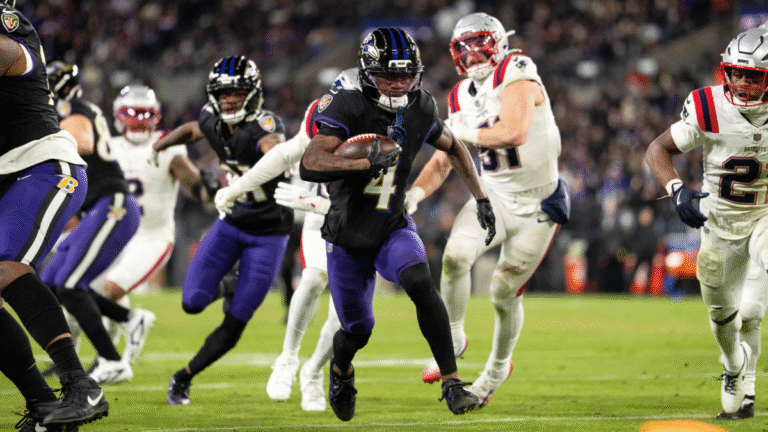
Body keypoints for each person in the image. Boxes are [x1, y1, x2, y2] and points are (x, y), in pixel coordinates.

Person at [299, 27, 495, 421]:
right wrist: (362, 162)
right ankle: (341, 370)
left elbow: (455, 146)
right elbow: (311, 162)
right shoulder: (346, 102)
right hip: (346, 235)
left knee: (420, 280)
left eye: (405, 76)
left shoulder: (420, 105)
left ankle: (452, 383)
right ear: (367, 73)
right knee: (357, 331)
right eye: (388, 75)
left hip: (391, 225)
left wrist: (481, 196)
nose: (398, 84)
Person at [404, 13, 567, 408]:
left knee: (502, 292)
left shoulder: (517, 69)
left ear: (499, 43)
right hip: (493, 195)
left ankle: (496, 369)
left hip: (537, 206)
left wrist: (464, 133)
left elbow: (515, 131)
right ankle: (453, 336)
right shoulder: (459, 95)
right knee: (455, 257)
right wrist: (416, 194)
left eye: (480, 43)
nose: (473, 54)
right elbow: (445, 158)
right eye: (465, 47)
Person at [215, 68, 360, 411]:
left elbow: (374, 202)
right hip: (322, 219)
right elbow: (284, 154)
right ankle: (288, 358)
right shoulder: (323, 115)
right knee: (313, 277)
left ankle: (313, 371)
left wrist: (315, 203)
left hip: (362, 223)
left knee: (344, 317)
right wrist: (238, 187)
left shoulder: (388, 124)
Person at [153, 55, 293, 406]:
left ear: (253, 94)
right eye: (224, 93)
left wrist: (281, 160)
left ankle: (184, 377)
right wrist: (161, 143)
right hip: (231, 223)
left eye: (238, 92)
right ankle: (231, 283)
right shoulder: (211, 118)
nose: (230, 99)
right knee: (192, 302)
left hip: (269, 234)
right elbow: (193, 129)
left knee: (236, 321)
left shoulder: (265, 125)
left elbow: (274, 147)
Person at [645, 25, 768, 419]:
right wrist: (677, 189)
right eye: (737, 73)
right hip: (719, 221)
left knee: (753, 309)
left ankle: (747, 385)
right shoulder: (709, 106)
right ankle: (734, 367)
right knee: (724, 315)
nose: (742, 83)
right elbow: (657, 148)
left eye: (753, 76)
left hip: (764, 215)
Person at [0, 1, 109, 429]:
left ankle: (81, 384)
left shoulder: (12, 28)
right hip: (8, 176)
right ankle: (44, 405)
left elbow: (8, 54)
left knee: (6, 265)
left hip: (43, 164)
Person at [41, 61, 155, 386]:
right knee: (51, 281)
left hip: (113, 204)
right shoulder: (70, 109)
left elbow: (83, 142)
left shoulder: (71, 108)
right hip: (97, 207)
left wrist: (40, 138)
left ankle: (112, 360)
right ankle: (129, 319)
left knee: (71, 284)